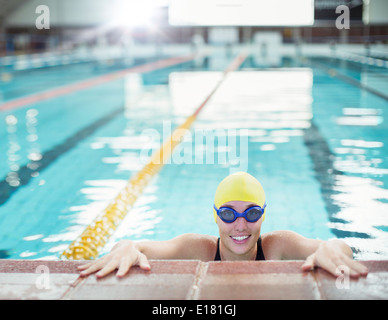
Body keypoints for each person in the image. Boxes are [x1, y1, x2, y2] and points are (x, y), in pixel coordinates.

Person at [78, 172, 368, 279]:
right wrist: (124, 247)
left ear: (264, 216)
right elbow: (138, 245)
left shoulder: (279, 245)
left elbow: (333, 247)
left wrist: (332, 248)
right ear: (215, 216)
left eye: (252, 213)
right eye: (228, 215)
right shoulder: (198, 248)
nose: (240, 225)